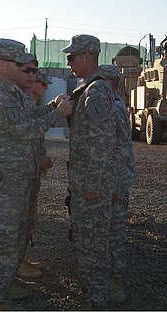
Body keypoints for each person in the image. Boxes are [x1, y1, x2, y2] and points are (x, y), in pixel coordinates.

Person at [0, 38, 73, 311]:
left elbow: (30, 118)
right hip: (6, 183)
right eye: (20, 64)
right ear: (3, 64)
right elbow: (26, 131)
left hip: (21, 179)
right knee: (1, 243)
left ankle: (6, 283)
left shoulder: (14, 93)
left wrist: (52, 106)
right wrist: (58, 115)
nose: (26, 70)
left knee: (18, 236)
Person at [61, 34, 117, 310]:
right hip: (84, 182)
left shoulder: (96, 92)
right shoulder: (86, 88)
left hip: (91, 187)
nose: (68, 61)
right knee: (85, 240)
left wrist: (92, 183)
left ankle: (97, 300)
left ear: (87, 57)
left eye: (72, 57)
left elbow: (102, 142)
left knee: (93, 245)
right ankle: (93, 294)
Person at [99, 64, 135, 302]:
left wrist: (112, 185)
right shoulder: (113, 103)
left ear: (108, 82)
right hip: (113, 177)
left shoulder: (113, 106)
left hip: (115, 179)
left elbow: (116, 149)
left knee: (114, 231)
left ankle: (116, 281)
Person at [16, 68, 54, 280]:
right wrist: (38, 159)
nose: (46, 87)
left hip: (32, 172)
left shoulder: (29, 104)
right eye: (43, 83)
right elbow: (25, 136)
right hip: (23, 172)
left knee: (28, 219)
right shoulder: (22, 103)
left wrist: (53, 106)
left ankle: (20, 259)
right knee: (20, 221)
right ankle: (16, 264)